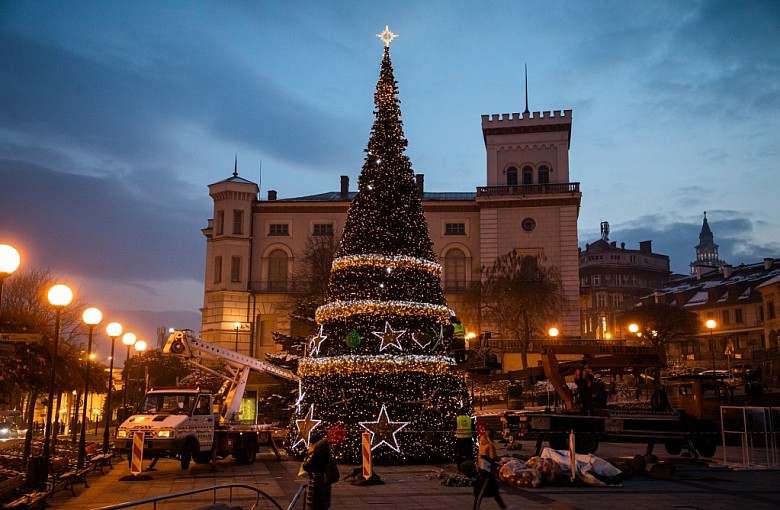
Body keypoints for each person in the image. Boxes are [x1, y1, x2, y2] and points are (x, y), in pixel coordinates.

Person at [473, 422, 511, 510]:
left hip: (482, 467)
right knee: (482, 491)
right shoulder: (490, 445)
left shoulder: (482, 441)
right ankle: (475, 508)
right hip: (488, 469)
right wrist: (501, 459)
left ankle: (503, 507)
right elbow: (492, 457)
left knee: (493, 490)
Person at [302, 432, 333, 510]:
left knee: (316, 506)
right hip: (325, 485)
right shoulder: (326, 451)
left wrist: (306, 460)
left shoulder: (317, 453)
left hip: (317, 485)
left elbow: (307, 467)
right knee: (323, 506)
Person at [455, 407, 473, 471]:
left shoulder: (457, 419)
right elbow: (472, 427)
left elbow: (455, 427)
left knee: (460, 453)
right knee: (469, 453)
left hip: (460, 438)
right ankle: (470, 466)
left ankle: (459, 467)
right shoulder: (469, 418)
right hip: (468, 438)